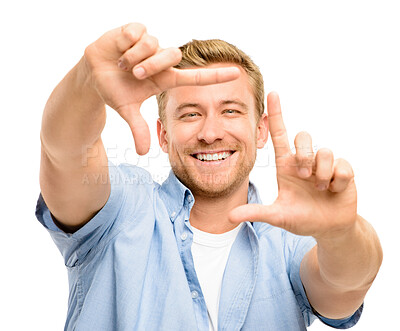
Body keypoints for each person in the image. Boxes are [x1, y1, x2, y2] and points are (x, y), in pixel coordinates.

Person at [36, 23, 383, 330]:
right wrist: (86, 82)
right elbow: (63, 152)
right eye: (190, 114)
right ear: (164, 135)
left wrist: (341, 233)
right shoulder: (121, 211)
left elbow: (346, 287)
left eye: (230, 110)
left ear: (260, 130)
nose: (211, 132)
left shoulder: (290, 243)